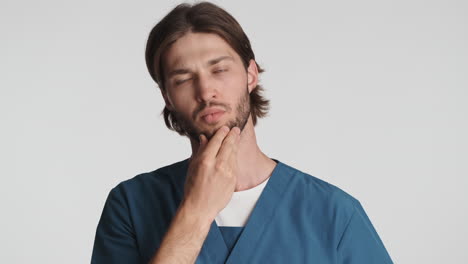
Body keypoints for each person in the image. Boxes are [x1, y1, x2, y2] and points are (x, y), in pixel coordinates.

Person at [91, 2, 393, 263]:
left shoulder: (333, 214)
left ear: (250, 75)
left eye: (219, 70)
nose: (206, 91)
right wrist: (196, 212)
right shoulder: (131, 206)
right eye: (183, 79)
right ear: (168, 98)